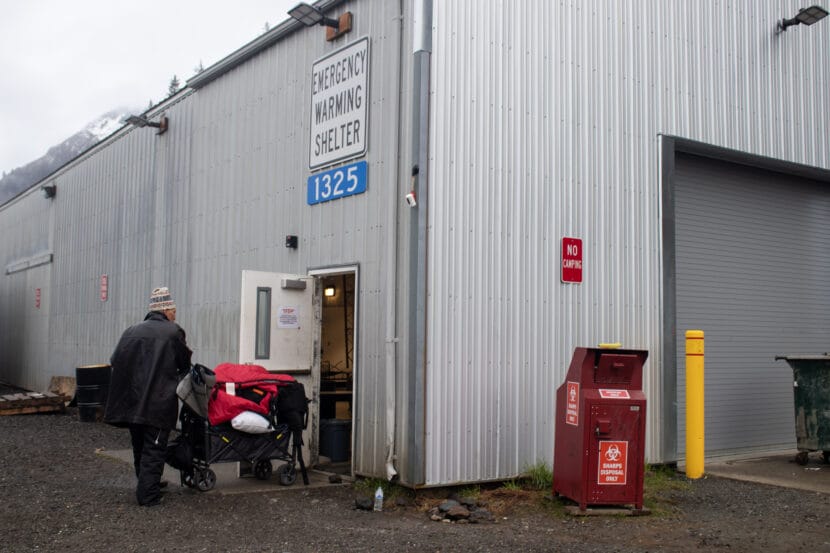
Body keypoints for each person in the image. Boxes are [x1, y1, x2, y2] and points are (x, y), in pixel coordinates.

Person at [104, 287, 192, 507]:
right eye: (173, 311)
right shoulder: (173, 332)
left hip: (132, 401)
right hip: (158, 402)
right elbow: (184, 364)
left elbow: (115, 360)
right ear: (165, 310)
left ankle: (146, 483)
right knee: (154, 447)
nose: (175, 315)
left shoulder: (131, 331)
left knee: (139, 445)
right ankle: (148, 495)